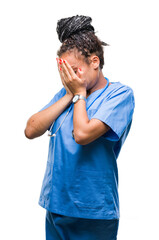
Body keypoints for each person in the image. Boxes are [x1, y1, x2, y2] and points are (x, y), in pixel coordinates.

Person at [24, 15, 135, 240]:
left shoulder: (119, 95)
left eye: (74, 70)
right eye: (65, 72)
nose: (69, 78)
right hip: (56, 206)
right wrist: (70, 95)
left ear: (94, 62)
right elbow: (31, 129)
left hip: (92, 211)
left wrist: (78, 95)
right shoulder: (68, 95)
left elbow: (82, 134)